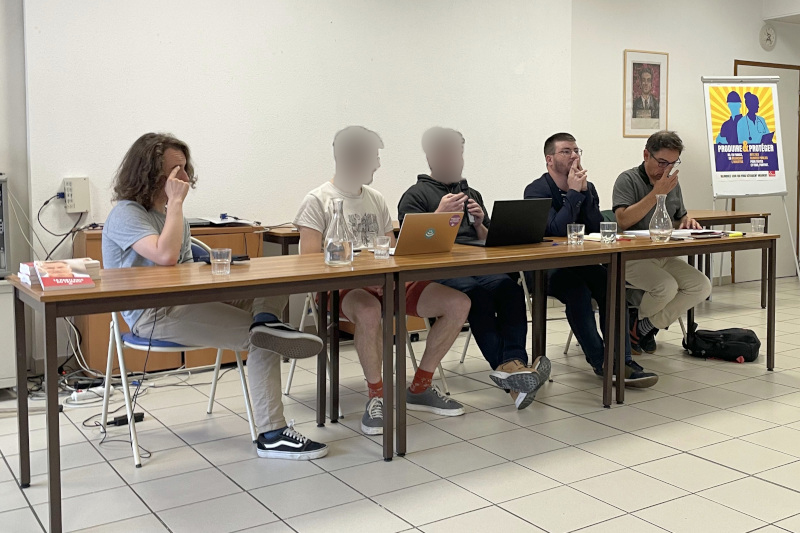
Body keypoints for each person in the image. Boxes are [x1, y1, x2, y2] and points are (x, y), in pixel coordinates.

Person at [103, 132, 328, 460]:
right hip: (153, 315)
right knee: (261, 340)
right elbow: (165, 255)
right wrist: (176, 203)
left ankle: (267, 321)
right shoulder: (127, 213)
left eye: (185, 168)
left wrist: (219, 270)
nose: (183, 178)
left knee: (273, 286)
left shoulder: (173, 215)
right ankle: (272, 435)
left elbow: (185, 270)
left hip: (187, 301)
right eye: (174, 170)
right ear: (149, 173)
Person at [295, 126, 470, 435]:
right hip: (341, 287)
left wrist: (386, 274)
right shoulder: (317, 200)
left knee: (458, 303)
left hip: (384, 282)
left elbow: (392, 249)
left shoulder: (375, 199)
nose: (377, 164)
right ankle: (377, 396)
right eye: (372, 157)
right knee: (369, 310)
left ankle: (420, 386)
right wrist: (366, 275)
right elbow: (310, 262)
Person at [398, 127, 550, 410]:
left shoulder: (472, 193)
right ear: (431, 158)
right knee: (475, 295)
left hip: (477, 264)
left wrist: (480, 224)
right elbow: (413, 247)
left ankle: (514, 364)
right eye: (447, 154)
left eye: (458, 154)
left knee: (509, 289)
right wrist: (439, 216)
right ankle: (513, 372)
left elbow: (488, 240)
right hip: (440, 270)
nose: (454, 160)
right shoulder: (415, 196)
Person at [524, 133, 658, 387]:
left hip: (579, 262)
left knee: (611, 284)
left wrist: (584, 194)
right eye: (566, 151)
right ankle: (602, 361)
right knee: (578, 292)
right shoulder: (537, 190)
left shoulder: (588, 187)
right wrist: (574, 194)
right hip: (545, 267)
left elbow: (595, 228)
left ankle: (623, 360)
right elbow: (555, 230)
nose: (574, 156)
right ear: (549, 159)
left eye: (576, 150)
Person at [613, 130, 712, 354]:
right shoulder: (627, 179)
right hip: (632, 257)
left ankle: (642, 327)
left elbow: (679, 218)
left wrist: (687, 222)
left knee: (701, 286)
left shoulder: (671, 184)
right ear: (646, 155)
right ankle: (640, 329)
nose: (666, 169)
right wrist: (656, 193)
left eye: (673, 163)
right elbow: (623, 220)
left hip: (662, 254)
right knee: (666, 286)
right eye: (662, 162)